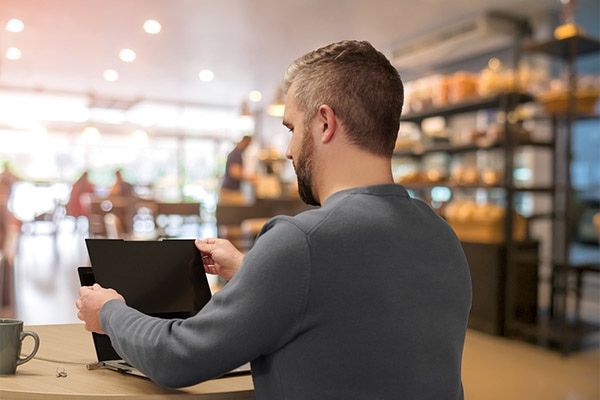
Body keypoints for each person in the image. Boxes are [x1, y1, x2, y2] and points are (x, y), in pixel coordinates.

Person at [76, 40, 472, 399]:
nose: (287, 151)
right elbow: (359, 308)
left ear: (324, 123)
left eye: (291, 128)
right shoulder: (441, 235)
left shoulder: (302, 241)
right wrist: (254, 272)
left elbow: (178, 358)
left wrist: (109, 312)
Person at [218, 135, 255, 204]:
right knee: (242, 211)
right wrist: (250, 178)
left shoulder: (236, 153)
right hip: (229, 192)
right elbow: (235, 173)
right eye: (249, 144)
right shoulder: (236, 154)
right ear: (246, 142)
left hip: (229, 190)